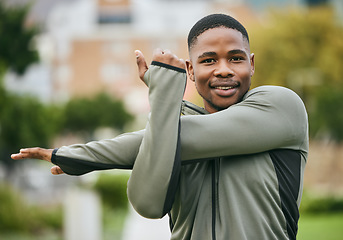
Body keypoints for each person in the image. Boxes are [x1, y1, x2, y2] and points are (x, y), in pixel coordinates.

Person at [12, 13, 308, 240]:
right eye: (208, 60)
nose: (224, 69)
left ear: (252, 64)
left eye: (236, 58)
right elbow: (147, 205)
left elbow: (187, 137)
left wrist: (81, 156)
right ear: (190, 70)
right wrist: (164, 101)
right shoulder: (168, 131)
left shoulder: (281, 107)